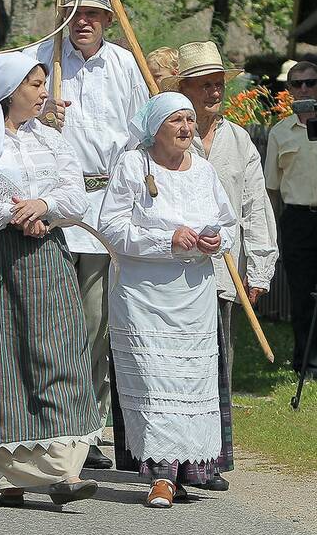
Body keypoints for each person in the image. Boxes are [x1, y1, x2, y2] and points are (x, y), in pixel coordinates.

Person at [0, 51, 99, 507]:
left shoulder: (51, 142)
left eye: (42, 82)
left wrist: (44, 207)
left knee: (58, 357)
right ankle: (10, 476)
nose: (43, 91)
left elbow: (75, 195)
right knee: (3, 364)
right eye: (34, 83)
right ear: (9, 91)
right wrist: (12, 212)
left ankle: (62, 470)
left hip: (48, 258)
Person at [25, 0, 149, 469]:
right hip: (52, 205)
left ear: (106, 20)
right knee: (47, 318)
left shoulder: (124, 67)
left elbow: (142, 133)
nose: (83, 21)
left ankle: (88, 428)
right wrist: (39, 113)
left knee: (95, 322)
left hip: (101, 206)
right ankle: (44, 421)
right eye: (75, 12)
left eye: (92, 14)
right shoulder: (42, 62)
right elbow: (5, 121)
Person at [100, 92, 237, 508]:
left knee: (190, 384)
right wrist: (166, 239)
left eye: (190, 120)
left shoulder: (204, 171)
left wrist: (216, 240)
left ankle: (190, 470)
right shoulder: (132, 165)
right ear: (155, 128)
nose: (185, 128)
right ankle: (160, 477)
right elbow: (111, 226)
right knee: (153, 382)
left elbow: (229, 224)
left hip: (193, 298)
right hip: (143, 297)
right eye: (176, 120)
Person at [162, 41, 278, 491]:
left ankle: (208, 460)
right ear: (184, 90)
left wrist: (261, 268)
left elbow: (254, 208)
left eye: (218, 85)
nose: (214, 93)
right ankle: (170, 461)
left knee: (215, 363)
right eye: (204, 86)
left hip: (221, 273)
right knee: (176, 365)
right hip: (171, 271)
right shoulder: (163, 140)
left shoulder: (238, 141)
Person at [265, 60, 317, 377]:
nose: (304, 89)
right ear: (288, 91)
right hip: (298, 218)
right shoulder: (280, 132)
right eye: (296, 85)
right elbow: (271, 187)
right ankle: (306, 363)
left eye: (310, 83)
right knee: (301, 294)